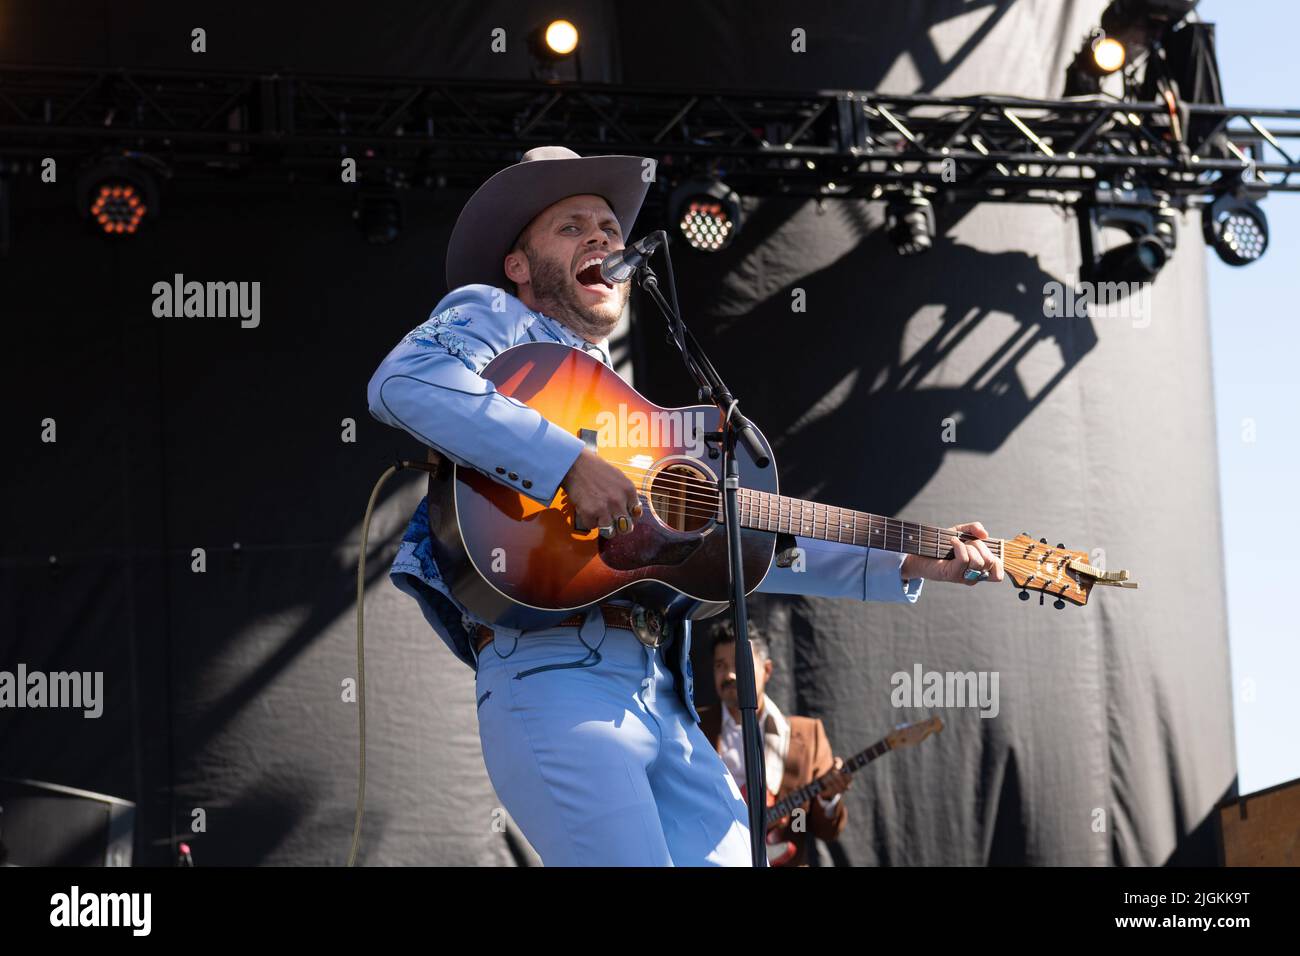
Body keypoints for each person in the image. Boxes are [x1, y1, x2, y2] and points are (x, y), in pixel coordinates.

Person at [366, 145, 1004, 866]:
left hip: (657, 694)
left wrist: (905, 556)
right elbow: (406, 380)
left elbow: (735, 545)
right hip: (549, 683)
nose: (602, 239)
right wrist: (568, 464)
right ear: (518, 266)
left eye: (608, 227)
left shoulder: (620, 400)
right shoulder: (496, 318)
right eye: (571, 228)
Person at [698, 621, 850, 867]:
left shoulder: (808, 734)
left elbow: (827, 831)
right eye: (720, 666)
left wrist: (828, 799)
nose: (729, 675)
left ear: (767, 670)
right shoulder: (692, 726)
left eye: (738, 664)